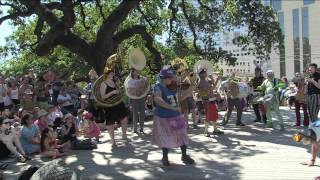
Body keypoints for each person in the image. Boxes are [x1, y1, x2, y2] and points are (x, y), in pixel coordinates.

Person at [152, 65, 194, 166]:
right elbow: (157, 98)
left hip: (176, 115)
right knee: (165, 137)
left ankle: (184, 155)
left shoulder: (173, 87)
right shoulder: (158, 87)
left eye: (172, 77)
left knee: (182, 135)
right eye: (170, 78)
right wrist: (171, 107)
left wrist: (192, 86)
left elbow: (181, 97)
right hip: (163, 117)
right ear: (164, 78)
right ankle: (165, 157)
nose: (172, 79)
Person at [99, 67, 129, 147]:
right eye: (111, 73)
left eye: (113, 73)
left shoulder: (115, 82)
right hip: (110, 106)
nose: (113, 74)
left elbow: (119, 91)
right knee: (111, 124)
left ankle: (124, 134)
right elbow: (103, 97)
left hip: (118, 103)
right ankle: (113, 140)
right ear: (107, 74)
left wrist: (119, 91)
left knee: (125, 119)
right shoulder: (103, 84)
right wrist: (112, 92)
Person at [196, 68, 223, 136]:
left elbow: (213, 86)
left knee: (214, 115)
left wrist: (214, 79)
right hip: (207, 101)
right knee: (208, 116)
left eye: (205, 72)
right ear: (201, 74)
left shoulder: (206, 80)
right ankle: (206, 131)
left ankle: (215, 129)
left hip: (211, 100)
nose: (206, 73)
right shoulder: (201, 81)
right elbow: (212, 88)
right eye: (204, 72)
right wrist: (217, 79)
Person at [304, 63, 320, 166]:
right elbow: (307, 90)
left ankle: (314, 128)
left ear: (315, 68)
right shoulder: (310, 77)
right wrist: (306, 84)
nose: (310, 69)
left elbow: (319, 86)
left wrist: (312, 81)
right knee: (313, 120)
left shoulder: (318, 75)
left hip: (315, 96)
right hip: (310, 97)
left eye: (312, 68)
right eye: (309, 68)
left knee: (315, 125)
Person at [127, 68, 147, 134]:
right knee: (135, 114)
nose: (137, 72)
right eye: (135, 71)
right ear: (132, 72)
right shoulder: (130, 80)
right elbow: (129, 91)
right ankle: (135, 128)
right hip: (134, 99)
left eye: (137, 70)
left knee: (142, 114)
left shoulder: (142, 79)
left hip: (142, 98)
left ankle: (141, 128)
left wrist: (143, 77)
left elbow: (146, 86)